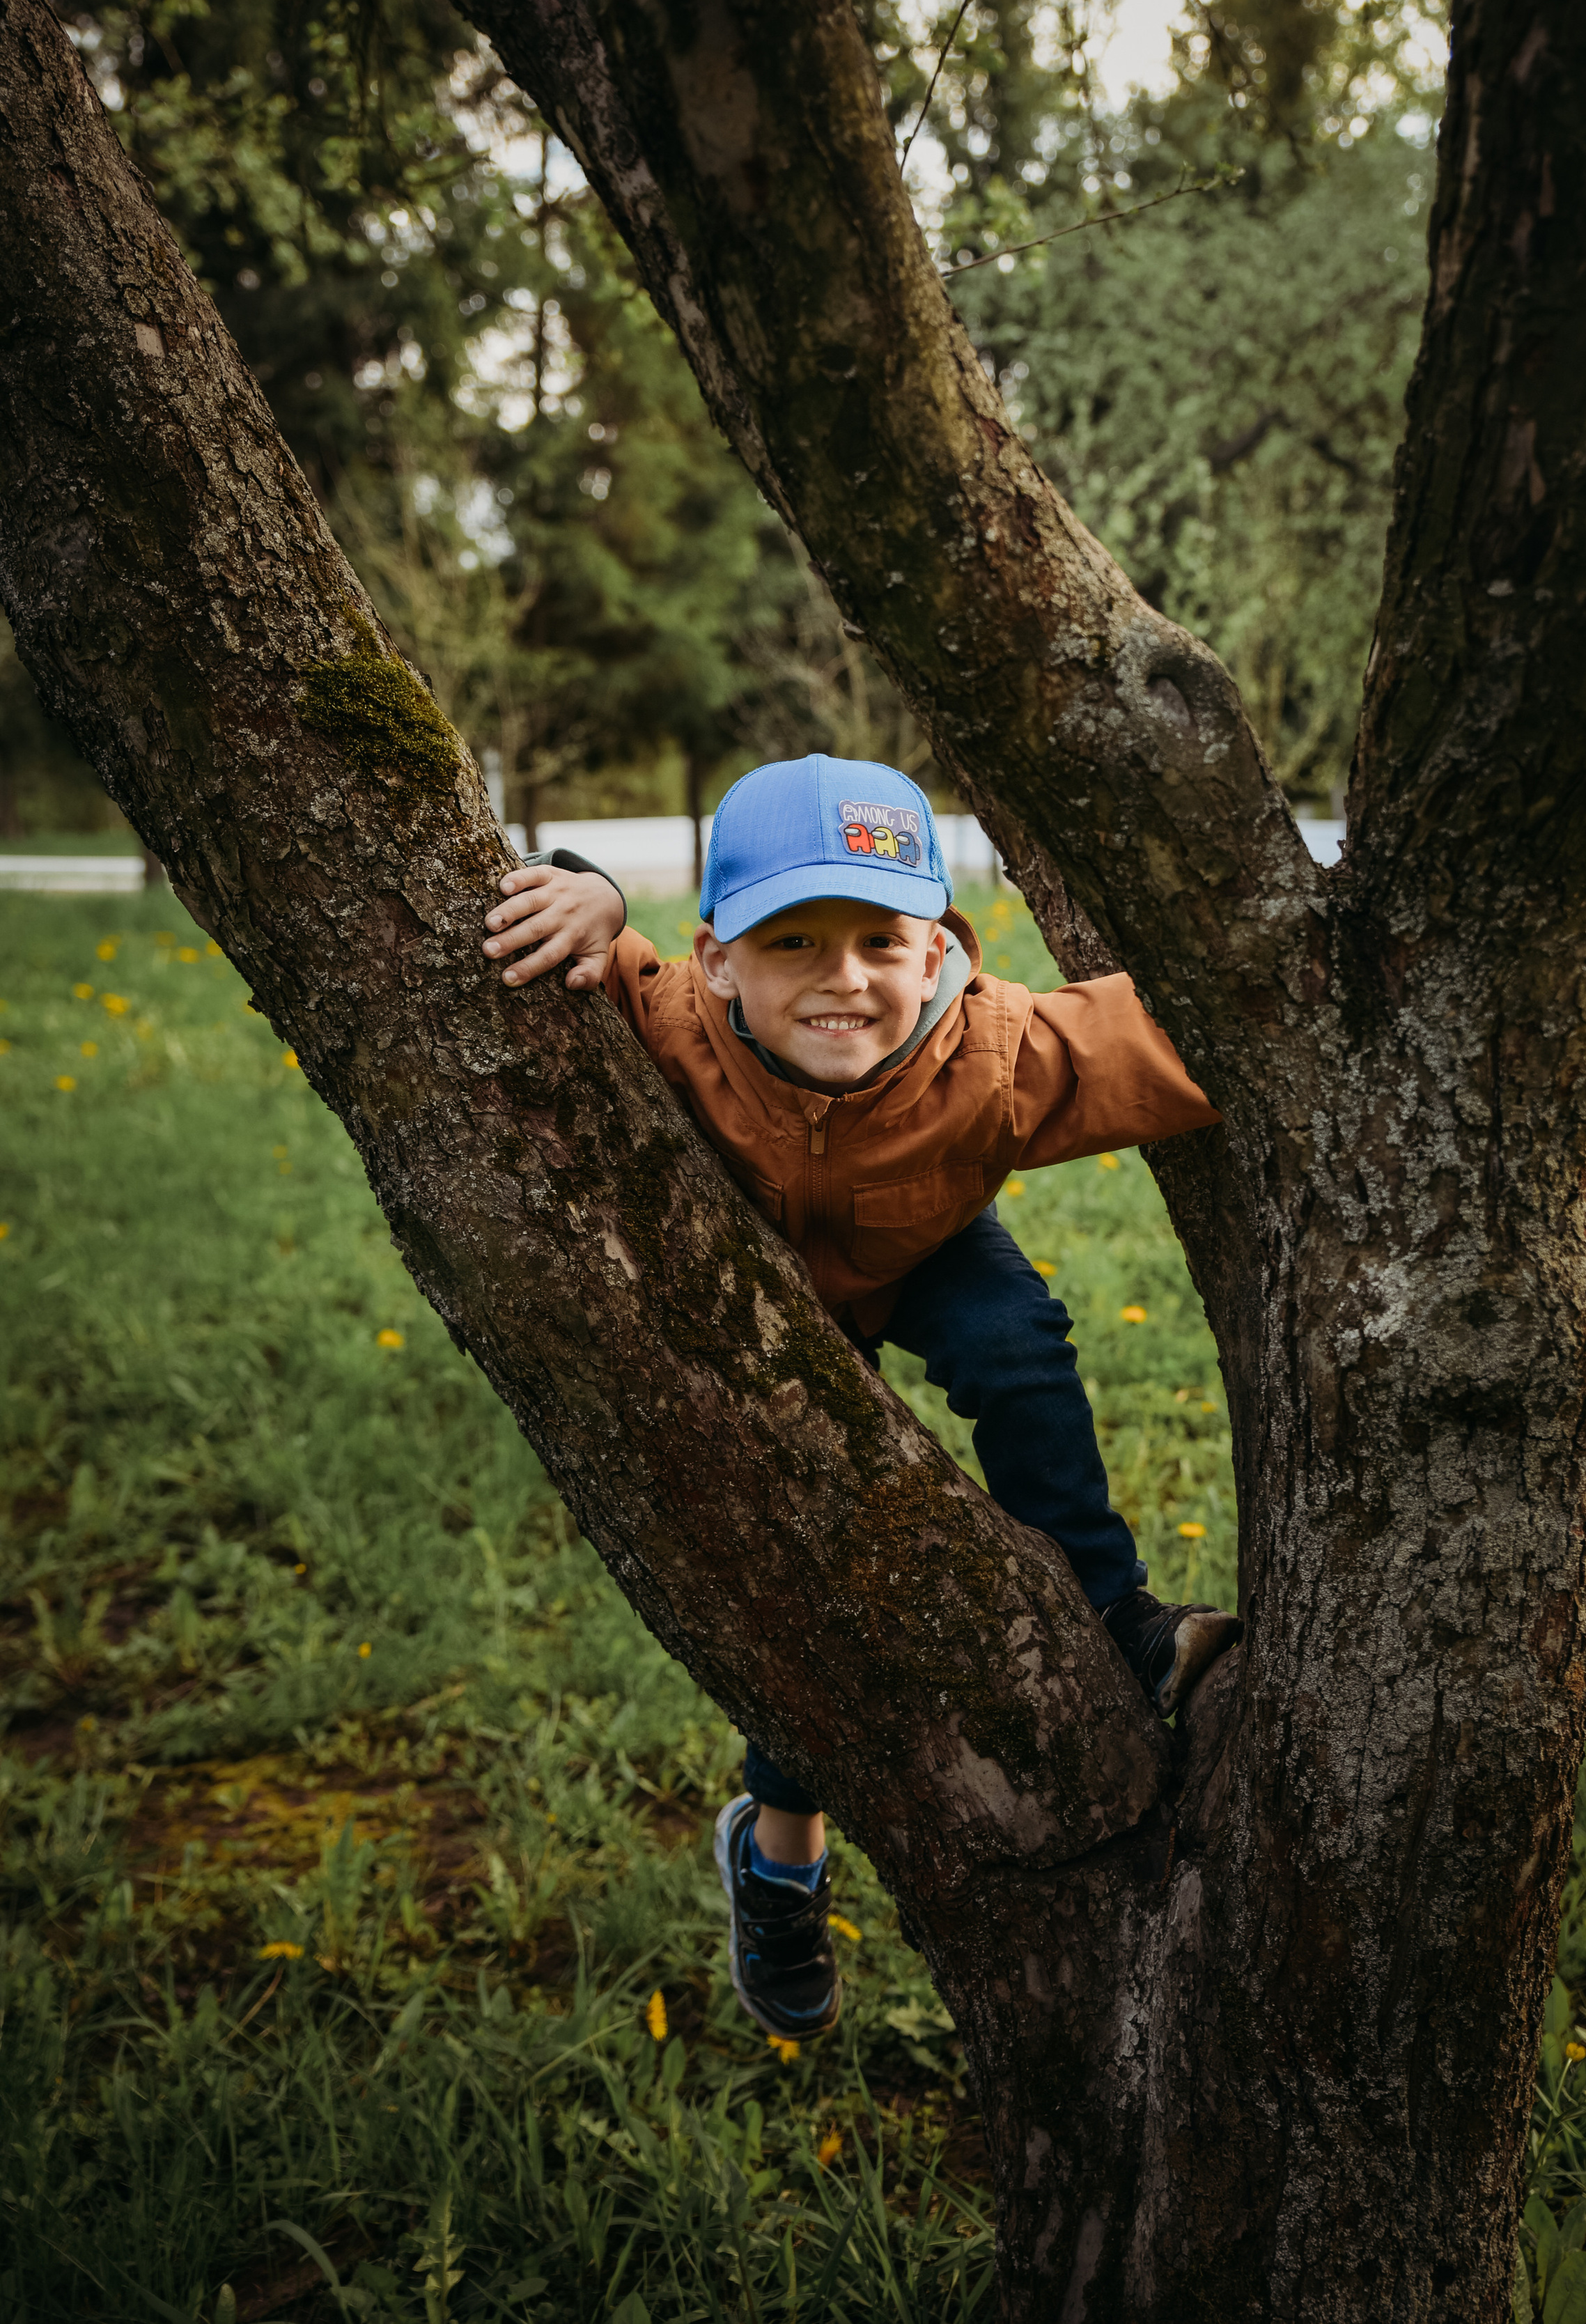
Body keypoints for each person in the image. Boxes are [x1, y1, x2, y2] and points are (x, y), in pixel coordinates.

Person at [481, 754, 1238, 2043]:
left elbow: (1177, 1037)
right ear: (720, 961)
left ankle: (1116, 1608)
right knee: (811, 1574)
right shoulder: (672, 1022)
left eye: (881, 940)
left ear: (938, 948)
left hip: (922, 1244)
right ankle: (781, 1853)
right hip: (761, 1293)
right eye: (795, 941)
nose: (844, 977)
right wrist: (590, 887)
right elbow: (594, 942)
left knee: (1018, 1342)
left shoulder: (992, 1050)